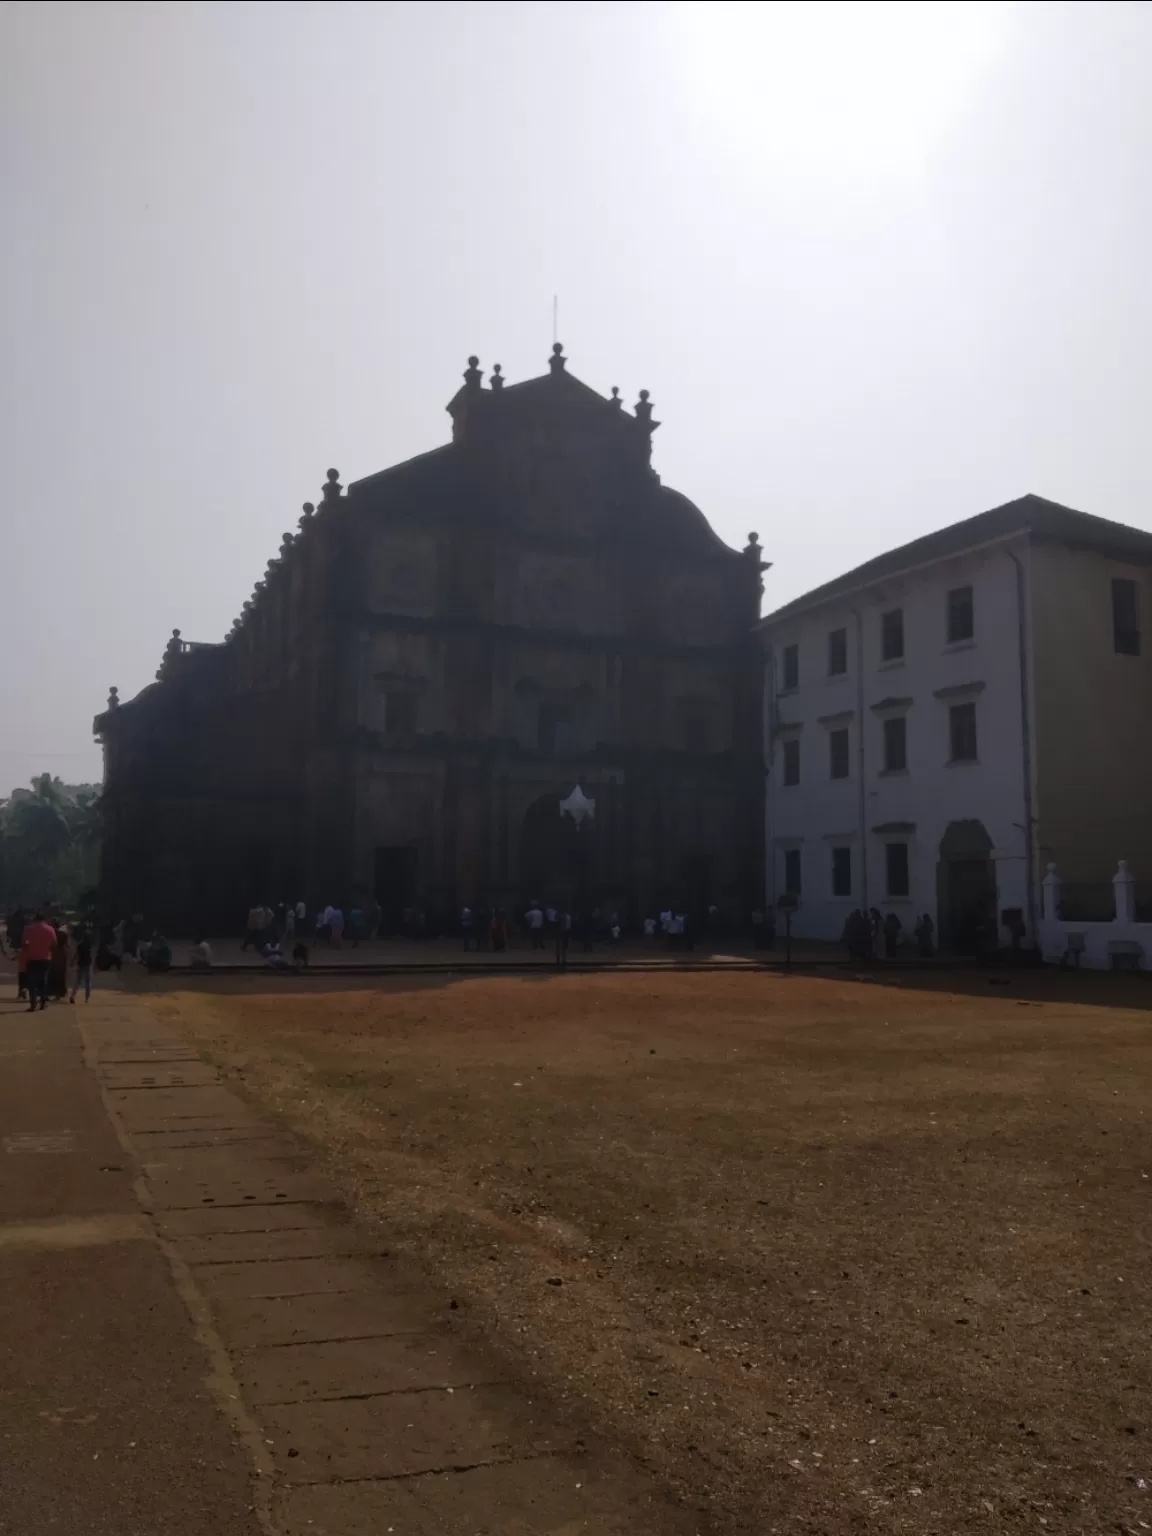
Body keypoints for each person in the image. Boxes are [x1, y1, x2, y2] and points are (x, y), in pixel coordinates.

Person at [20, 913, 56, 1012]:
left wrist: (30, 947)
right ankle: (43, 1003)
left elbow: (24, 944)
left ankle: (33, 1004)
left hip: (32, 959)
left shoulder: (29, 929)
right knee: (43, 981)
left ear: (35, 920)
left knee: (32, 982)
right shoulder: (50, 929)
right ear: (44, 920)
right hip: (45, 959)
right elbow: (54, 944)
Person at [71, 927, 94, 1003]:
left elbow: (76, 954)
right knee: (88, 982)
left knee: (77, 981)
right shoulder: (90, 945)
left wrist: (73, 961)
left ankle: (73, 996)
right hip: (88, 964)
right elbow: (91, 955)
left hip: (81, 964)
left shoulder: (80, 945)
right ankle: (87, 998)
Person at [48, 925, 70, 1000]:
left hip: (54, 957)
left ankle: (51, 993)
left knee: (53, 975)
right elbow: (68, 946)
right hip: (62, 958)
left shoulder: (53, 934)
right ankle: (59, 994)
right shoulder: (64, 935)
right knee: (61, 976)